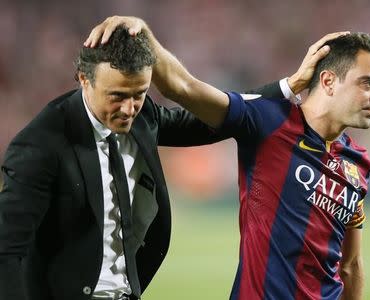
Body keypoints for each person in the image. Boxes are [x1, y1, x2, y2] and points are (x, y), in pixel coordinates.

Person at [0, 21, 337, 300]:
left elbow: (206, 122)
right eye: (117, 96)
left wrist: (286, 87)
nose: (130, 108)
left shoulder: (142, 116)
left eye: (139, 94)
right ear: (84, 80)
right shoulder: (41, 145)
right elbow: (7, 249)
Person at [88, 16, 370, 300]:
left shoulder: (358, 163)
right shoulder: (269, 122)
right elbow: (182, 87)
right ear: (329, 81)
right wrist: (142, 33)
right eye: (368, 83)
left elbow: (351, 265)